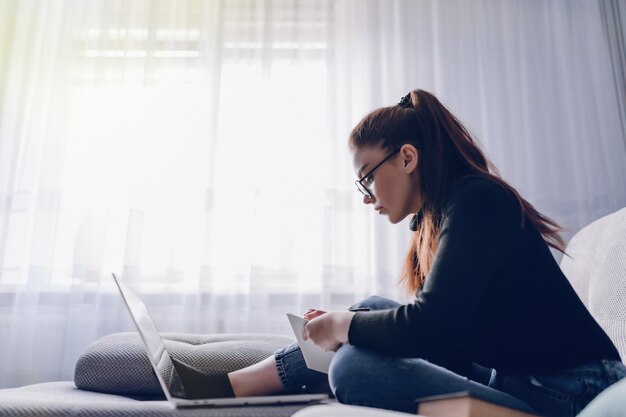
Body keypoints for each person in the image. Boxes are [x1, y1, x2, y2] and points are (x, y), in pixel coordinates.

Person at [209, 89, 626, 417]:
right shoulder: (448, 211)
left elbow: (431, 327)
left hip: (570, 397)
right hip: (520, 380)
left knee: (353, 366)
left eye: (366, 179)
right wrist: (351, 326)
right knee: (370, 311)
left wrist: (341, 325)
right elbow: (450, 334)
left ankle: (229, 389)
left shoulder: (477, 201)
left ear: (407, 157)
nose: (367, 196)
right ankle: (233, 386)